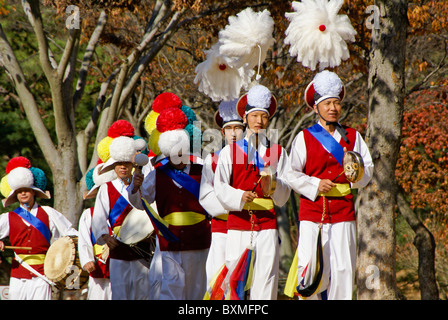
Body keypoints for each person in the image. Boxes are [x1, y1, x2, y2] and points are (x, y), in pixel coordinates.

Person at [286, 70, 374, 300]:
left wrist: (354, 173)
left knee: (343, 270)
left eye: (336, 103)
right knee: (310, 270)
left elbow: (368, 171)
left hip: (343, 212)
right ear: (316, 108)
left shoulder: (353, 137)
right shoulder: (304, 137)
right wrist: (314, 184)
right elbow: (290, 173)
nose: (333, 108)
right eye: (327, 103)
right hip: (312, 213)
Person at [213, 85, 291, 300]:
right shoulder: (230, 151)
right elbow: (219, 186)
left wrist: (273, 187)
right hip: (238, 224)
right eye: (254, 115)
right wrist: (239, 196)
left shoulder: (277, 152)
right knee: (235, 280)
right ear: (245, 118)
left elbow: (285, 193)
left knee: (266, 280)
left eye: (264, 116)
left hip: (267, 224)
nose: (259, 121)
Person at [129, 106, 211, 300]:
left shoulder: (202, 171)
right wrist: (135, 186)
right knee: (171, 289)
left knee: (196, 290)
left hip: (198, 238)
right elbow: (141, 203)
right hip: (169, 239)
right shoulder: (157, 174)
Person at [0, 157, 77, 300]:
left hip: (42, 276)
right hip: (18, 275)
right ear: (16, 195)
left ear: (34, 192)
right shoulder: (8, 217)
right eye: (20, 191)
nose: (23, 193)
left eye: (26, 190)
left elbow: (71, 235)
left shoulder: (49, 213)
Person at [91, 135, 152, 300]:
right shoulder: (106, 188)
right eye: (119, 164)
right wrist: (103, 236)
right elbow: (98, 217)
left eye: (126, 163)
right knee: (119, 295)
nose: (123, 167)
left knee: (144, 295)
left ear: (132, 165)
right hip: (118, 251)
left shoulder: (144, 185)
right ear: (113, 166)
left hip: (143, 250)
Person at [199, 99, 245, 293]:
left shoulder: (254, 157)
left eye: (238, 128)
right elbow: (205, 194)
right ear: (222, 132)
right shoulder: (213, 158)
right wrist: (232, 204)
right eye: (229, 128)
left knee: (242, 282)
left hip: (245, 228)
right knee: (218, 280)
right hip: (221, 229)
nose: (234, 133)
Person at [78, 162, 115, 300]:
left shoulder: (121, 212)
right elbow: (83, 239)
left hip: (120, 266)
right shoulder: (89, 214)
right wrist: (87, 259)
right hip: (98, 269)